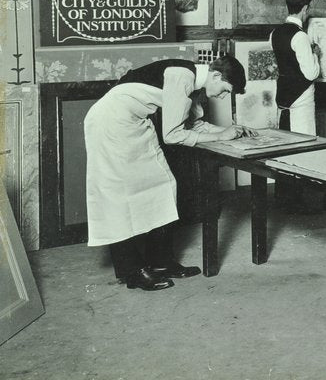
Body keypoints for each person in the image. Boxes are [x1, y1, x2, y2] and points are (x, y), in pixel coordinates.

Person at [84, 56, 253, 291]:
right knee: (119, 195)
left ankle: (161, 262)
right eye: (226, 90)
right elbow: (172, 135)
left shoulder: (194, 81)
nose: (224, 97)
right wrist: (220, 136)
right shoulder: (182, 76)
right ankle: (131, 271)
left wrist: (228, 131)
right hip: (111, 123)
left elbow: (193, 125)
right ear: (216, 76)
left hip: (133, 122)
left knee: (163, 185)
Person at [270, 0, 321, 136]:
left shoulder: (274, 33)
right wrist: (315, 55)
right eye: (308, 9)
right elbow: (311, 74)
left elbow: (285, 59)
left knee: (285, 137)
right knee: (304, 138)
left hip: (283, 93)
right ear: (304, 9)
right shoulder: (300, 36)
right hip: (301, 95)